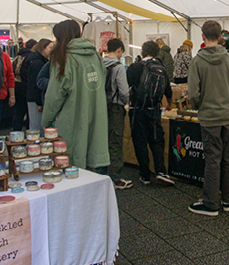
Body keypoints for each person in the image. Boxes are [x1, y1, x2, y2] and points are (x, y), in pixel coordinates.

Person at [188, 20, 229, 216]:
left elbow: (193, 94)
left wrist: (200, 106)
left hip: (210, 117)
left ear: (202, 37)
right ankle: (228, 200)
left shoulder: (197, 61)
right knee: (228, 158)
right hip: (228, 116)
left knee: (212, 159)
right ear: (221, 37)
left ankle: (211, 203)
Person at [42, 20, 109, 171]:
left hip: (71, 117)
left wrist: (46, 120)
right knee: (95, 158)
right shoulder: (95, 55)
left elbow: (54, 95)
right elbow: (101, 80)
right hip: (96, 113)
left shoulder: (63, 58)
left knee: (70, 166)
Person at [126, 41, 174, 185]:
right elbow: (168, 91)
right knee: (157, 140)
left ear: (142, 51)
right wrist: (170, 105)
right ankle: (160, 171)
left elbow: (126, 87)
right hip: (154, 109)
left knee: (140, 141)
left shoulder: (135, 67)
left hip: (137, 110)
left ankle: (145, 174)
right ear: (157, 52)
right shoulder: (161, 68)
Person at [103, 38, 132, 189]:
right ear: (119, 50)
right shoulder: (118, 67)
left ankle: (102, 174)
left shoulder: (100, 64)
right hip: (115, 107)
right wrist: (126, 101)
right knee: (115, 142)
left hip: (102, 107)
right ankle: (115, 178)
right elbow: (124, 91)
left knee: (103, 140)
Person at [25, 38, 53, 130]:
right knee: (37, 127)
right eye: (50, 48)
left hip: (34, 98)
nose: (52, 50)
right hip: (36, 100)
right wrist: (39, 102)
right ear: (43, 48)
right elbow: (35, 84)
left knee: (36, 126)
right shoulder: (37, 63)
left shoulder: (37, 60)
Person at [11, 45, 32, 132]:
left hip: (16, 88)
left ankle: (16, 132)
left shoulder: (16, 58)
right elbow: (27, 75)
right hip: (25, 88)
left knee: (18, 113)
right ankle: (28, 133)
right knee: (28, 113)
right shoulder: (29, 58)